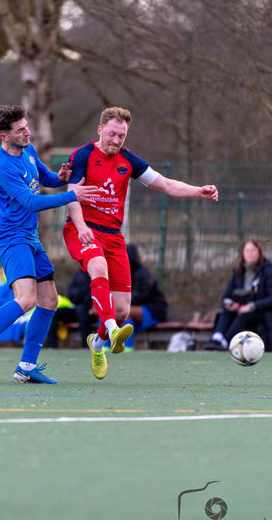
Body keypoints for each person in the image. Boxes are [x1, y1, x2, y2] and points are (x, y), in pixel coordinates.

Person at [63, 106, 218, 379]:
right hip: (82, 229)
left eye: (121, 136)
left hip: (113, 236)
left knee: (123, 310)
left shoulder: (129, 161)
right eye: (112, 134)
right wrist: (82, 226)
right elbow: (71, 195)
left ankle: (97, 344)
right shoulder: (83, 155)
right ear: (100, 130)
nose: (116, 140)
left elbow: (166, 184)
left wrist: (198, 191)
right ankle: (112, 331)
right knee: (97, 267)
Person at [0, 105, 100, 384]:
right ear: (4, 136)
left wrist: (60, 179)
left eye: (26, 126)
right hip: (12, 240)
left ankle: (26, 366)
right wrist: (72, 196)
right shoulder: (2, 165)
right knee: (26, 300)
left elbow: (44, 177)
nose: (27, 132)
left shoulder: (27, 149)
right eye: (20, 130)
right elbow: (31, 202)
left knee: (49, 300)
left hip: (30, 238)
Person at [203, 238, 272, 352]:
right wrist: (230, 305)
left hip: (262, 313)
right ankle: (217, 338)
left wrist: (251, 306)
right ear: (243, 253)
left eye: (253, 250)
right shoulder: (237, 273)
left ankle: (225, 342)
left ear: (259, 253)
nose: (250, 253)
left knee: (243, 316)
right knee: (225, 313)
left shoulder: (267, 272)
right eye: (247, 250)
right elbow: (226, 297)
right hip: (240, 310)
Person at [106, 244, 168, 351]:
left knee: (124, 312)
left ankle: (127, 349)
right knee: (107, 313)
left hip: (153, 310)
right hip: (129, 308)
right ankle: (105, 347)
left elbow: (138, 297)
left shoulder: (143, 274)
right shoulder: (117, 274)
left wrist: (115, 304)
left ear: (132, 260)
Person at [45, 269, 95, 348]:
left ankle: (86, 346)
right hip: (77, 308)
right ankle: (51, 346)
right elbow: (72, 294)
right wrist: (85, 293)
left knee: (81, 310)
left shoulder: (99, 273)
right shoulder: (79, 274)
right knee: (55, 314)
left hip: (93, 311)